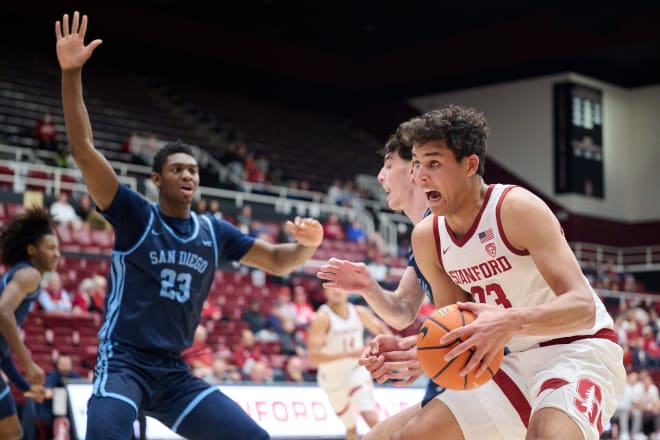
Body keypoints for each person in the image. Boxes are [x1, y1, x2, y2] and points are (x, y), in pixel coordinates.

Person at [56, 11, 324, 439]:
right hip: (124, 362)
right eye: (177, 169)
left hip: (174, 372)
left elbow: (277, 261)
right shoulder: (135, 214)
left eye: (194, 171)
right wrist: (71, 74)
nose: (188, 176)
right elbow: (84, 149)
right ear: (157, 178)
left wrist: (309, 245)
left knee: (255, 438)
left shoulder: (213, 231)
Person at [363, 105, 626, 439]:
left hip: (579, 348)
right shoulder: (427, 237)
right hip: (512, 360)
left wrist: (511, 320)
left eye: (433, 163)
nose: (419, 176)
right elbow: (456, 323)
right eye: (416, 163)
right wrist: (420, 351)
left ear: (470, 165)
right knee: (415, 434)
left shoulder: (515, 208)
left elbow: (582, 308)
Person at [317, 133, 470, 439]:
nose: (380, 176)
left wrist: (427, 355)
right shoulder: (422, 235)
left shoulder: (444, 227)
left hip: (484, 363)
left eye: (388, 165)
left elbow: (465, 313)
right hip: (459, 361)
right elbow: (402, 311)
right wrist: (368, 287)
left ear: (414, 170)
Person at [0, 208, 59, 438]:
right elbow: (3, 312)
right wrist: (28, 363)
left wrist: (25, 386)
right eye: (51, 248)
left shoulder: (20, 274)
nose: (57, 254)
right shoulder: (30, 275)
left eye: (58, 249)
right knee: (12, 433)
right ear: (33, 250)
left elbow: (2, 355)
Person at [307, 287, 393, 440]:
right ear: (324, 291)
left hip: (357, 371)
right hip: (333, 380)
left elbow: (383, 331)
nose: (336, 290)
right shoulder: (322, 318)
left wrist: (393, 348)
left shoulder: (359, 312)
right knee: (350, 428)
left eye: (338, 286)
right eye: (330, 286)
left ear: (348, 290)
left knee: (369, 416)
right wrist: (349, 354)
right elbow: (314, 358)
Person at [35, 353, 81, 439]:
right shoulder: (52, 376)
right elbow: (47, 393)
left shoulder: (75, 377)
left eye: (67, 364)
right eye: (63, 364)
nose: (65, 367)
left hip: (71, 412)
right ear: (57, 365)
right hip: (51, 412)